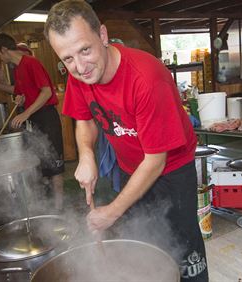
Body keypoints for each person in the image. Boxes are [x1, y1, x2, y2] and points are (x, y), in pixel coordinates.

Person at [45, 1, 208, 281]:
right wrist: (86, 154)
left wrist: (111, 212)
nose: (80, 66)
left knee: (185, 250)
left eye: (85, 50)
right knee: (143, 243)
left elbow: (156, 160)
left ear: (103, 36)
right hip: (130, 166)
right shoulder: (80, 76)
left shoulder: (146, 78)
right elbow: (84, 119)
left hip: (171, 171)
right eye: (67, 59)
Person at [0, 33, 65, 211]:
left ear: (4, 50)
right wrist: (21, 101)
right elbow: (19, 91)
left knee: (54, 163)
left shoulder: (31, 63)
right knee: (39, 162)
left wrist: (26, 113)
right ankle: (46, 206)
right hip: (34, 120)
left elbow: (46, 92)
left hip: (46, 117)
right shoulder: (17, 68)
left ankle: (59, 208)